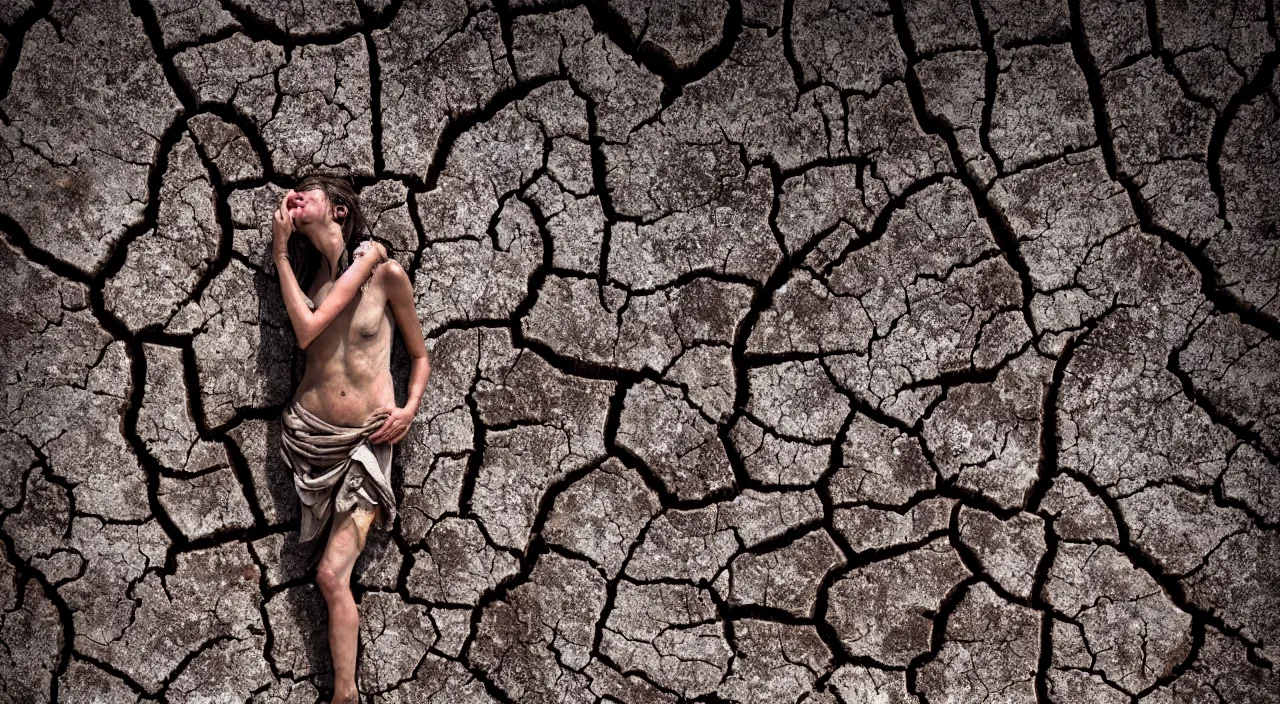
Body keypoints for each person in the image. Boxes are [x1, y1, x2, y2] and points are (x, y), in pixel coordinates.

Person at [270, 174, 431, 704]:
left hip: (366, 443)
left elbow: (420, 355)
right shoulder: (311, 279)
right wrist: (282, 256)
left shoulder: (385, 275)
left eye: (309, 191)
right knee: (323, 572)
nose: (296, 196)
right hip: (310, 441)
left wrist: (408, 409)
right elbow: (305, 330)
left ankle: (345, 694)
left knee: (331, 574)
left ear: (339, 211)